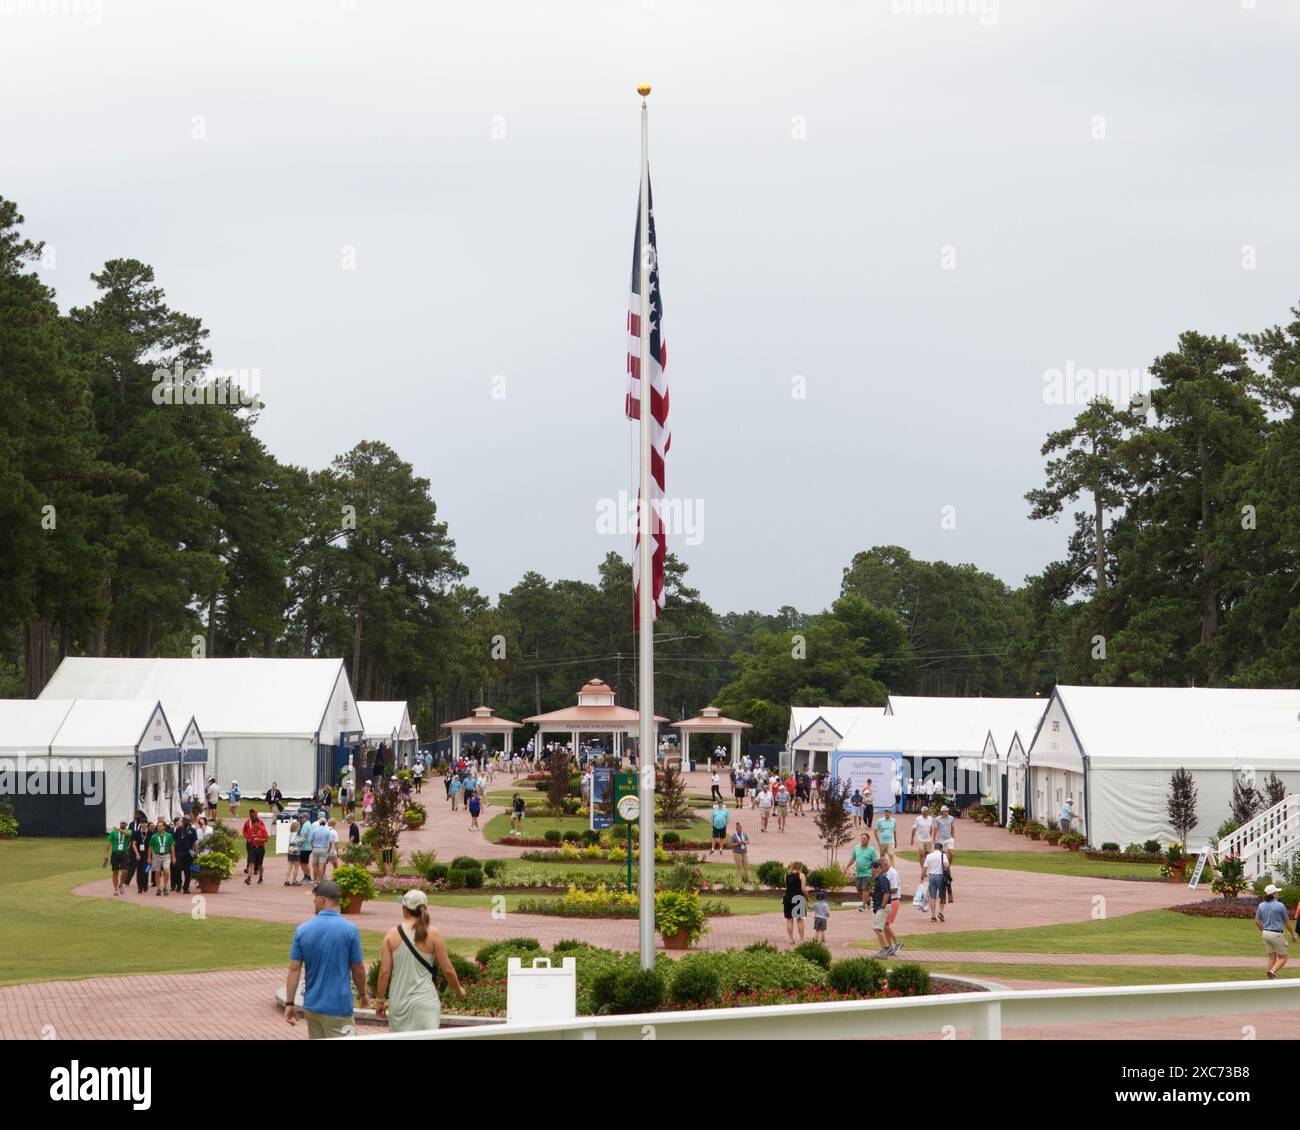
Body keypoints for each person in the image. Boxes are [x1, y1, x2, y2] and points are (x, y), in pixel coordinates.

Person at [285, 879, 368, 1039]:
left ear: (323, 899)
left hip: (312, 1007)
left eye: (315, 897)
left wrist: (290, 1003)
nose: (313, 901)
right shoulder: (350, 930)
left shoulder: (302, 930)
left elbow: (294, 969)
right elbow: (357, 968)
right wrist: (363, 993)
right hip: (338, 1007)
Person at [375, 889, 467, 1032]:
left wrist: (380, 1000)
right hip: (426, 1003)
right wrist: (458, 990)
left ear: (404, 910)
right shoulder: (434, 934)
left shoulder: (391, 934)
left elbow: (384, 973)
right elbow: (448, 971)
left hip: (400, 1004)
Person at [1256, 883, 1295, 979]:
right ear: (1273, 894)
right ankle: (1272, 971)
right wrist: (1293, 934)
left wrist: (1263, 930)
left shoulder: (1261, 905)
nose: (1278, 894)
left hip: (1265, 933)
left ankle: (1270, 979)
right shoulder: (1280, 906)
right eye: (1277, 892)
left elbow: (1257, 921)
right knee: (1283, 957)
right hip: (1276, 933)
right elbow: (1287, 922)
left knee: (1271, 956)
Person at [849, 832, 879, 911]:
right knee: (859, 890)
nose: (862, 840)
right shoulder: (857, 847)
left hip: (868, 873)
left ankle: (863, 905)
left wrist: (875, 872)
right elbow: (853, 858)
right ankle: (868, 900)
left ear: (868, 840)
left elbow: (875, 862)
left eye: (864, 838)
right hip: (859, 873)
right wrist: (846, 867)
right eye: (862, 838)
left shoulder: (871, 850)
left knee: (865, 889)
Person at [868, 859, 892, 957]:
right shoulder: (878, 878)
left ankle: (885, 949)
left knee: (877, 928)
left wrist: (882, 906)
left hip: (883, 907)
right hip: (880, 906)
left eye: (874, 867)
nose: (872, 869)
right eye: (871, 868)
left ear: (879, 868)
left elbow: (886, 892)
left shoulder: (882, 878)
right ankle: (884, 949)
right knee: (879, 928)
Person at [782, 862, 810, 945]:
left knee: (789, 919)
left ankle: (791, 939)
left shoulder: (786, 875)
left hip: (788, 898)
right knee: (799, 919)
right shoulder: (801, 875)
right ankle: (801, 940)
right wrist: (807, 898)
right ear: (800, 868)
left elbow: (787, 888)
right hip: (798, 898)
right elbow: (803, 889)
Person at [104, 820, 132, 895]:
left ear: (126, 825)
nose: (123, 824)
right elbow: (109, 842)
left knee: (125, 871)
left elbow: (127, 834)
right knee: (115, 872)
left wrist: (118, 829)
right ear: (120, 824)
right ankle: (116, 889)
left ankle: (121, 885)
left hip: (124, 853)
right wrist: (106, 853)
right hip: (115, 854)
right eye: (122, 823)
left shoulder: (129, 831)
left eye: (125, 824)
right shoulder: (113, 833)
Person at [242, 807, 269, 885]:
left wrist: (259, 839)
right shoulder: (250, 829)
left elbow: (266, 839)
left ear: (258, 823)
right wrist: (249, 839)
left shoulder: (262, 829)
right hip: (253, 848)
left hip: (260, 848)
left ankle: (260, 877)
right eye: (253, 824)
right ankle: (249, 878)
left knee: (260, 864)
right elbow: (248, 836)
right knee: (251, 863)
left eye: (255, 824)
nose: (254, 826)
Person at [882, 857, 903, 957]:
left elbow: (894, 889)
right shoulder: (886, 873)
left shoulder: (893, 873)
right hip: (888, 901)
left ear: (886, 865)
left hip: (893, 900)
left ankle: (896, 942)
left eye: (882, 867)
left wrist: (883, 892)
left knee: (885, 924)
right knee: (884, 925)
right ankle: (890, 946)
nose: (881, 870)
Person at [147, 819, 174, 896]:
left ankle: (165, 886)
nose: (158, 827)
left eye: (160, 825)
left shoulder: (169, 836)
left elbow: (172, 847)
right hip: (156, 855)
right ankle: (158, 888)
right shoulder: (154, 836)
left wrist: (173, 857)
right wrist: (149, 858)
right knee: (157, 872)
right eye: (157, 825)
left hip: (166, 855)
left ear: (164, 827)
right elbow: (150, 847)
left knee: (166, 870)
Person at [174, 814, 198, 894]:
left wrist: (196, 852)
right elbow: (174, 841)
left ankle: (186, 887)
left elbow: (194, 842)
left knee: (188, 872)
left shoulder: (192, 830)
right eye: (183, 819)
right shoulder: (178, 829)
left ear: (189, 821)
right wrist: (173, 853)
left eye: (186, 820)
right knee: (177, 870)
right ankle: (179, 884)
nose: (184, 821)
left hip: (188, 854)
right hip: (179, 853)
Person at [923, 844, 948, 924]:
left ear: (935, 848)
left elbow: (925, 868)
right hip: (940, 876)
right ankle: (941, 912)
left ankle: (933, 916)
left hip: (931, 876)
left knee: (933, 896)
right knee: (942, 896)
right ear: (941, 849)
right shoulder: (943, 855)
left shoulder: (929, 856)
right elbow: (946, 865)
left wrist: (922, 876)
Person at [911, 808, 935, 875]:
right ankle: (923, 870)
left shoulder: (930, 819)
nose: (925, 813)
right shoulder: (918, 819)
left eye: (926, 811)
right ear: (922, 812)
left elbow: (931, 828)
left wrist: (930, 836)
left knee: (928, 855)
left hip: (928, 839)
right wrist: (912, 839)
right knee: (922, 853)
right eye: (924, 811)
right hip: (920, 839)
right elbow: (914, 828)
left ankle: (926, 869)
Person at [309, 816, 332, 882]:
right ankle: (319, 880)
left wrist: (313, 847)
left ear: (319, 823)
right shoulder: (328, 831)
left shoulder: (315, 830)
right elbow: (330, 842)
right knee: (321, 865)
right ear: (325, 823)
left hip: (315, 848)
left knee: (315, 865)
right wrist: (328, 850)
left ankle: (315, 880)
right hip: (323, 849)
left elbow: (311, 840)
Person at [285, 820, 303, 886]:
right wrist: (301, 839)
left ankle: (286, 880)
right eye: (299, 827)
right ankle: (294, 880)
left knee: (290, 866)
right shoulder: (296, 834)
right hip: (295, 852)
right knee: (296, 866)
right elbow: (294, 842)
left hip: (290, 851)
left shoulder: (291, 834)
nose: (299, 828)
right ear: (296, 827)